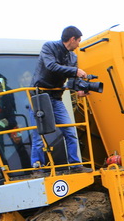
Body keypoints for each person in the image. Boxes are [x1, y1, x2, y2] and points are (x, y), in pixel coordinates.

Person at [29, 26, 92, 173]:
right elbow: (51, 66)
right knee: (39, 134)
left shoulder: (72, 57)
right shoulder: (49, 47)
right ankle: (38, 166)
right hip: (40, 96)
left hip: (56, 97)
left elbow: (71, 79)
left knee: (70, 131)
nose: (79, 45)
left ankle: (76, 165)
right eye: (79, 41)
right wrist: (75, 71)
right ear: (72, 39)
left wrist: (80, 90)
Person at [0, 78, 29, 171]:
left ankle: (28, 169)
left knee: (20, 145)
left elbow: (14, 114)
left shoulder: (8, 98)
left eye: (0, 88)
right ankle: (4, 170)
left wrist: (9, 122)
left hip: (12, 126)